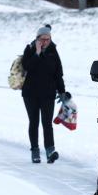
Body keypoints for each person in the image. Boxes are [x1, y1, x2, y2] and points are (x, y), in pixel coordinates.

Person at [21, 24, 66, 163]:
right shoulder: (29, 49)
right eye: (43, 39)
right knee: (34, 122)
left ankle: (50, 150)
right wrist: (37, 53)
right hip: (30, 94)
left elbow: (58, 74)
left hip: (48, 94)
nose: (46, 41)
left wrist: (62, 91)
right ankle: (35, 151)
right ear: (37, 39)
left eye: (48, 39)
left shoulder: (53, 51)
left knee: (47, 123)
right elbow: (27, 66)